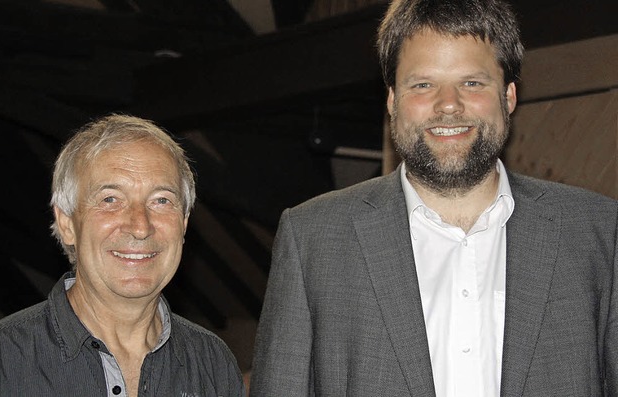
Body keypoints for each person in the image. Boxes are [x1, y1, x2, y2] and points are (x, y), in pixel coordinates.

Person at [250, 0, 618, 395]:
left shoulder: (598, 232)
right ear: (392, 100)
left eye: (472, 83)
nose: (448, 104)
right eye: (423, 84)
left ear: (508, 96)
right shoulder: (312, 240)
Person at [0, 115, 245, 396]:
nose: (141, 227)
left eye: (161, 200)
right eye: (110, 199)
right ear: (68, 223)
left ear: (184, 224)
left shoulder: (213, 363)